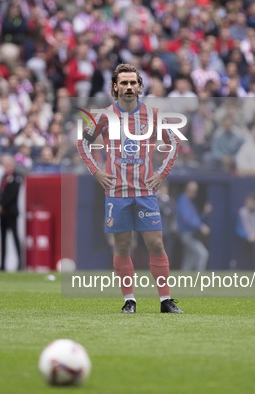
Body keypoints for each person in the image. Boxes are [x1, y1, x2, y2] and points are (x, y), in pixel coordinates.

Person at [77, 63, 183, 314]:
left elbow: (174, 143)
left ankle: (165, 301)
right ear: (115, 87)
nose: (128, 87)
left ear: (139, 86)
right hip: (117, 193)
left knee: (156, 244)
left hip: (146, 192)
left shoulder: (154, 115)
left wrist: (161, 174)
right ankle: (129, 300)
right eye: (123, 83)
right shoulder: (104, 116)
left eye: (132, 83)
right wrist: (97, 171)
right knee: (123, 247)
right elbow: (83, 143)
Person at [0, 155, 23, 271]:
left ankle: (20, 264)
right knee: (3, 239)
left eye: (5, 163)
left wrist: (2, 205)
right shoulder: (3, 177)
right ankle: (2, 265)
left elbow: (12, 195)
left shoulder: (16, 177)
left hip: (11, 213)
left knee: (15, 238)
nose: (4, 165)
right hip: (2, 214)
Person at [177, 182, 210, 271]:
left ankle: (183, 278)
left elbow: (196, 218)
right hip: (186, 234)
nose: (194, 193)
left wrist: (204, 213)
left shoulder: (190, 202)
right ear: (187, 189)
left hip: (191, 234)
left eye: (195, 191)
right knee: (203, 254)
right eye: (192, 190)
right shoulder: (183, 200)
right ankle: (200, 278)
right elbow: (187, 218)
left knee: (189, 258)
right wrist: (201, 226)